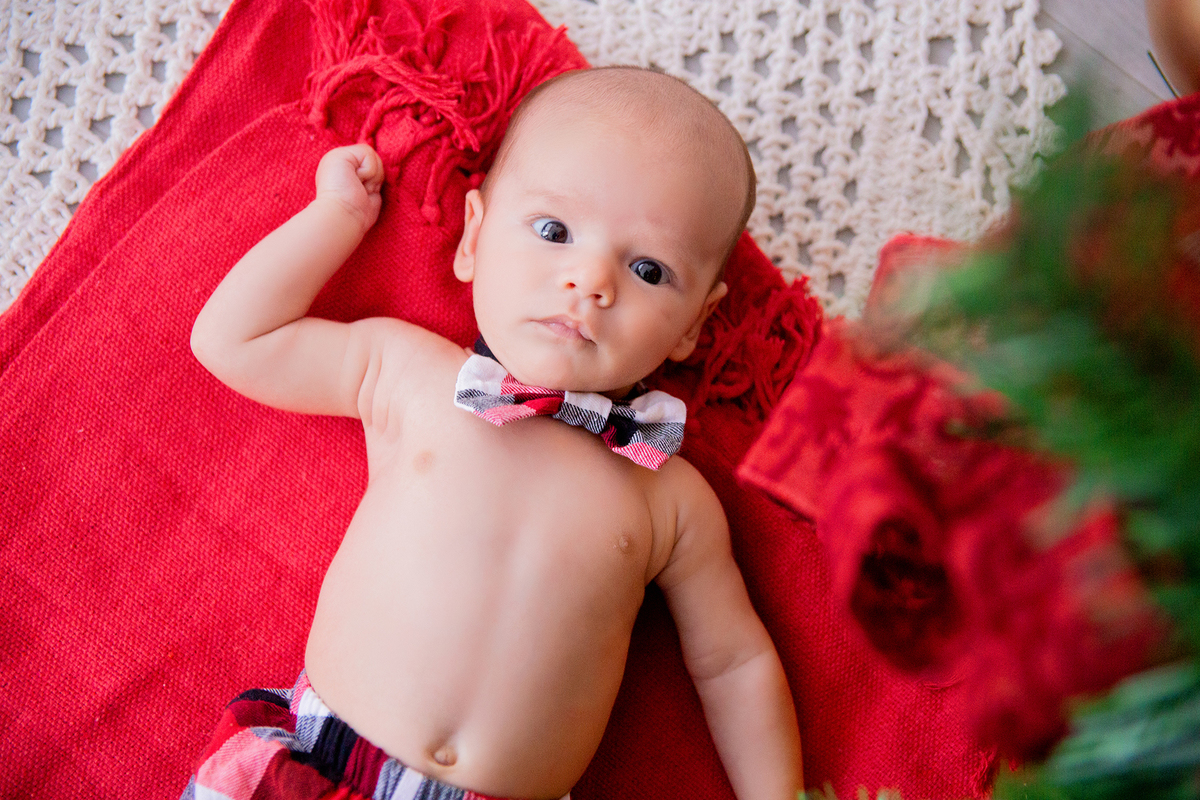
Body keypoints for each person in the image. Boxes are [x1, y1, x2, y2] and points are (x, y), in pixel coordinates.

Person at [186, 65, 803, 800]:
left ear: (695, 324)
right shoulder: (409, 373)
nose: (591, 280)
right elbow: (234, 340)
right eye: (554, 231)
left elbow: (734, 664)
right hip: (319, 768)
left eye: (648, 268)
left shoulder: (669, 496)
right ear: (473, 236)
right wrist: (338, 216)